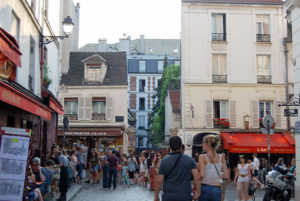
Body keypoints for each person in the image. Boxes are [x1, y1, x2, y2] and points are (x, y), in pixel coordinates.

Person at [154, 136, 200, 201]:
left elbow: (159, 181)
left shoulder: (164, 161)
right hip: (184, 196)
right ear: (181, 146)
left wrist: (156, 195)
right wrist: (198, 192)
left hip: (169, 196)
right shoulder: (190, 160)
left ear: (170, 146)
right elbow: (197, 177)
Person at [198, 134, 228, 201]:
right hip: (217, 188)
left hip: (205, 187)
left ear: (208, 144)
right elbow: (225, 176)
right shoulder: (221, 157)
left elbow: (202, 175)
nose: (202, 144)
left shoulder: (202, 157)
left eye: (203, 142)